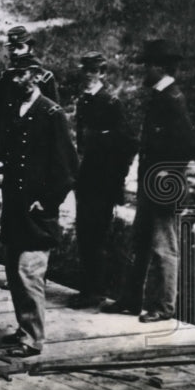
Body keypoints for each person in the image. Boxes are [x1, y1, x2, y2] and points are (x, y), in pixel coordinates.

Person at [0, 54, 78, 357]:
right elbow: (16, 160)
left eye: (21, 74)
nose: (14, 80)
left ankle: (33, 338)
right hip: (16, 208)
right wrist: (0, 175)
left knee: (29, 273)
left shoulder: (52, 114)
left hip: (37, 214)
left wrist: (47, 201)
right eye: (12, 75)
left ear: (37, 77)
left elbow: (67, 169)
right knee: (14, 271)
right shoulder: (15, 110)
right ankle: (23, 328)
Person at [102, 39, 195, 322]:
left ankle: (164, 308)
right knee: (141, 243)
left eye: (147, 66)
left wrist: (169, 173)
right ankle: (131, 300)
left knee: (163, 247)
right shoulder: (162, 96)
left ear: (159, 67)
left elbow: (189, 145)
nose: (144, 71)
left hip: (162, 187)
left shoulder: (171, 99)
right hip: (150, 185)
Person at [71, 52, 137, 308]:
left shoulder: (110, 103)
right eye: (85, 70)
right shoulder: (84, 101)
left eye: (94, 70)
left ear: (102, 73)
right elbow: (80, 142)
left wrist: (115, 179)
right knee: (85, 234)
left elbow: (129, 142)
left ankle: (94, 291)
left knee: (96, 236)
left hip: (103, 182)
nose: (88, 75)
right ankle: (87, 288)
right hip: (86, 179)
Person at [0, 25, 59, 164]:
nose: (15, 53)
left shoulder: (45, 78)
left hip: (36, 150)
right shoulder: (4, 79)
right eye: (12, 48)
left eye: (20, 47)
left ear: (30, 48)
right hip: (9, 150)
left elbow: (53, 122)